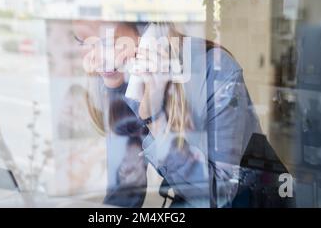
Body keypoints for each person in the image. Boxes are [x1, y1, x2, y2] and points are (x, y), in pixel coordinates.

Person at [72, 20, 262, 208]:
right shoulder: (116, 75)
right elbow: (125, 190)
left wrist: (153, 118)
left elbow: (219, 196)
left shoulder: (216, 71)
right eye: (83, 43)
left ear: (145, 33)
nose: (95, 58)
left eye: (108, 42)